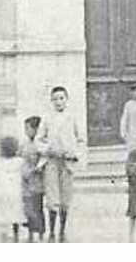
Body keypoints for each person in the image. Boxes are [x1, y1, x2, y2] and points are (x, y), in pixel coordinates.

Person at [37, 85, 83, 242]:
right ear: (51, 101)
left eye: (61, 98)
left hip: (67, 162)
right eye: (55, 99)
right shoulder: (47, 118)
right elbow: (39, 139)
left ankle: (62, 231)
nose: (58, 102)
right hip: (51, 162)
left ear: (67, 100)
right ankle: (51, 232)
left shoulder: (73, 117)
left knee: (65, 198)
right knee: (52, 197)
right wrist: (47, 150)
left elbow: (81, 140)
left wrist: (74, 153)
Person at [0, 135, 26, 243]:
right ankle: (15, 231)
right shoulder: (20, 162)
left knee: (3, 211)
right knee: (16, 211)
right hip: (15, 192)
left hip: (3, 191)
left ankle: (4, 233)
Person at [19, 116, 46, 242]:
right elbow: (19, 157)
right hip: (25, 182)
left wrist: (37, 168)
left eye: (28, 128)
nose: (26, 131)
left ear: (36, 130)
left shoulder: (40, 144)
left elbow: (43, 159)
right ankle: (30, 232)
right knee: (28, 208)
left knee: (37, 208)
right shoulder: (24, 144)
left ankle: (40, 232)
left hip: (36, 181)